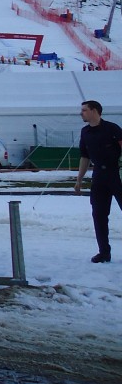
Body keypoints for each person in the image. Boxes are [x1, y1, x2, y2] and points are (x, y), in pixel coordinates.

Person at [75, 100, 122, 263]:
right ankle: (104, 252)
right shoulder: (85, 132)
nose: (81, 113)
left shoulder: (112, 128)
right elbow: (84, 156)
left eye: (84, 110)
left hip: (115, 173)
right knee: (99, 215)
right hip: (98, 177)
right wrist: (79, 179)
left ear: (94, 111)